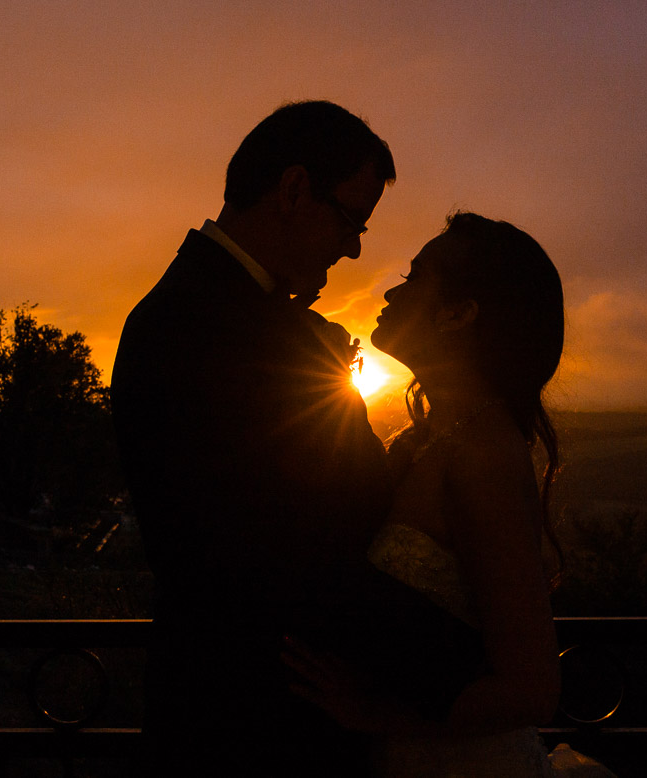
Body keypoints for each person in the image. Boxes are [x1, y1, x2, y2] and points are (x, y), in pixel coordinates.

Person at [112, 102, 480, 775]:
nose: (355, 248)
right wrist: (477, 672)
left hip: (209, 718)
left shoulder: (174, 316)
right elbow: (303, 557)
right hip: (265, 734)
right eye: (351, 219)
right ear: (292, 190)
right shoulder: (243, 338)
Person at [285, 212, 610, 777]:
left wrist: (376, 713)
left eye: (414, 277)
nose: (391, 288)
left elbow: (533, 689)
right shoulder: (429, 438)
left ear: (459, 313)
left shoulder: (484, 456)